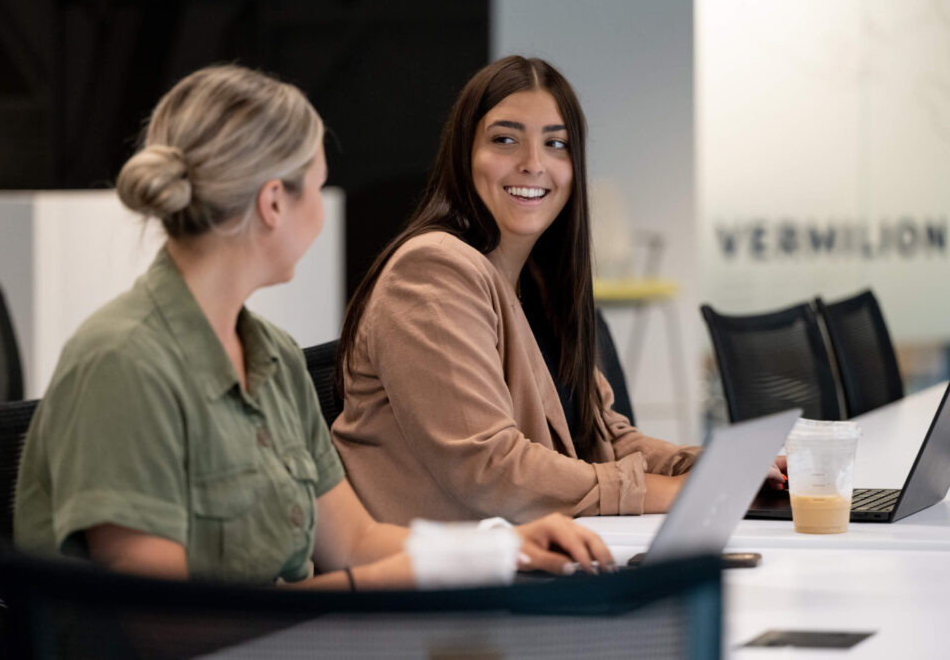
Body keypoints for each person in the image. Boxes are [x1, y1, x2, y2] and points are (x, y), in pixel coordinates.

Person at [13, 64, 614, 586]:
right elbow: (168, 625)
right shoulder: (124, 362)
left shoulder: (269, 355)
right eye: (317, 191)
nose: (323, 217)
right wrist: (384, 586)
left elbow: (353, 543)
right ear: (274, 203)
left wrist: (496, 551)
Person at [333, 56, 783, 526]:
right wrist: (668, 492)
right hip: (441, 578)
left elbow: (604, 436)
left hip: (530, 555)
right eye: (505, 139)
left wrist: (708, 470)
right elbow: (489, 469)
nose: (533, 163)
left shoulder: (539, 284)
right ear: (463, 156)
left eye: (556, 144)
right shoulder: (432, 271)